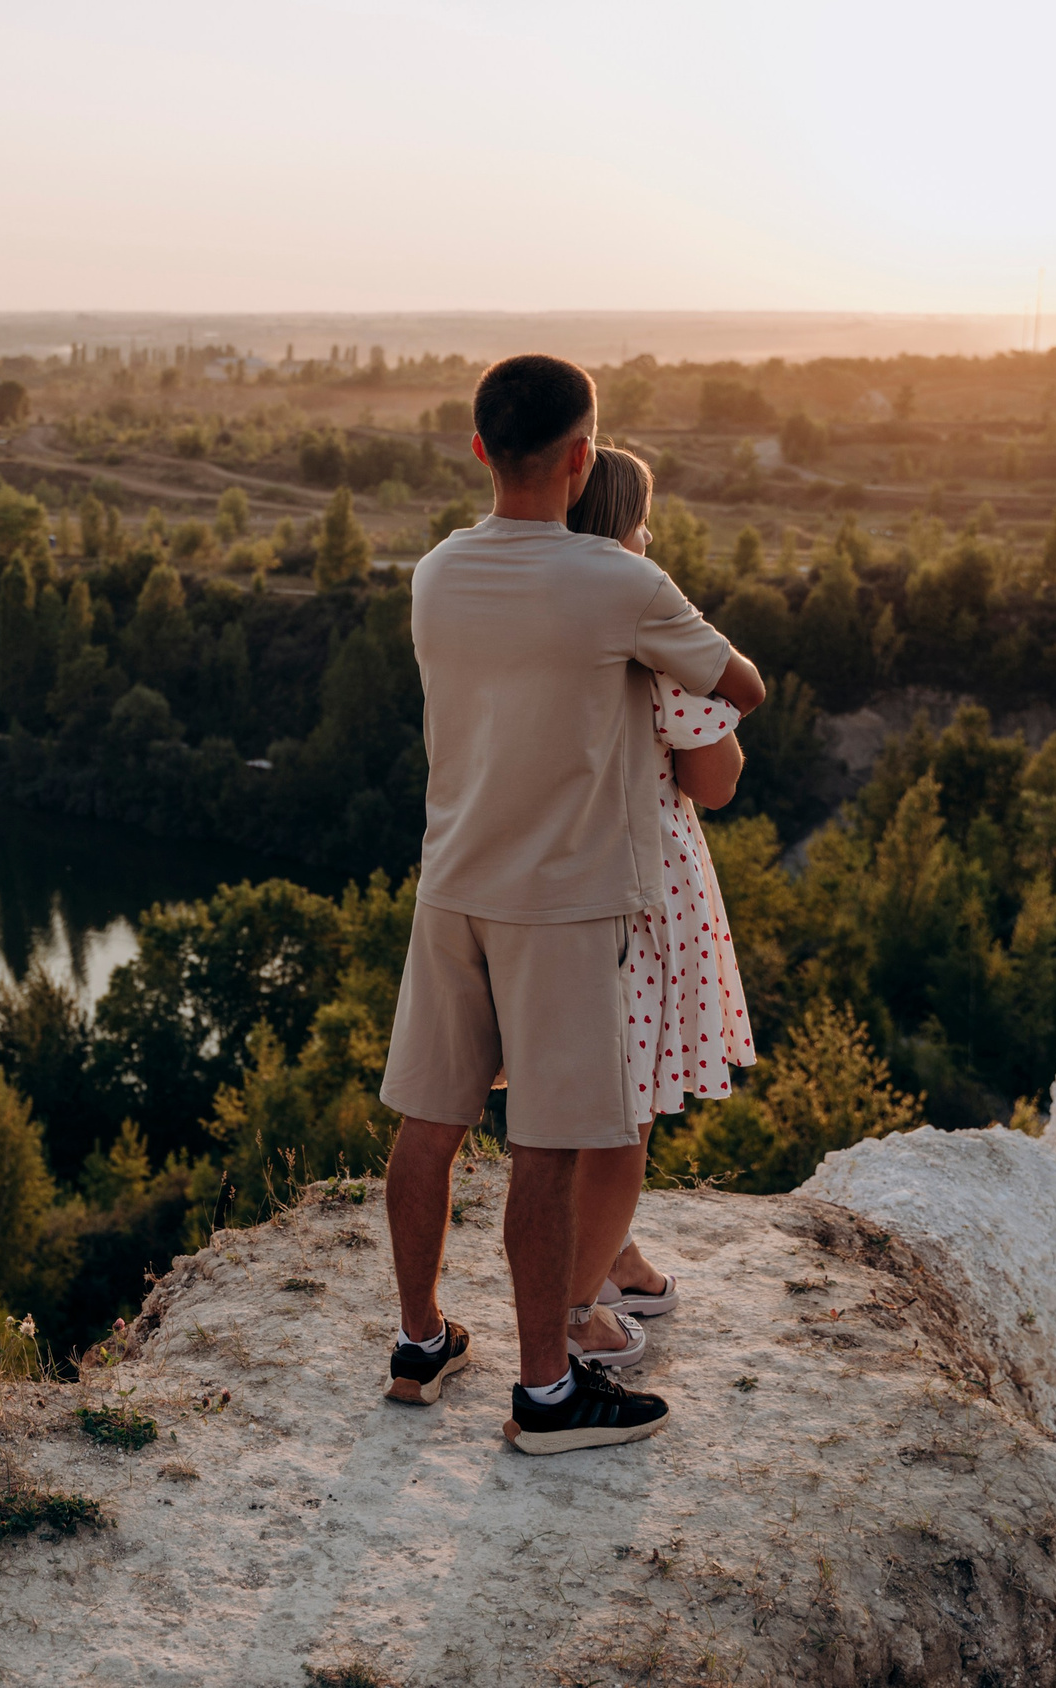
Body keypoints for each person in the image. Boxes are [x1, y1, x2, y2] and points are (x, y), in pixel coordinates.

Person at [378, 354, 764, 1456]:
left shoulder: (435, 572)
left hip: (453, 880)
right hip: (562, 900)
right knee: (547, 1147)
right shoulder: (617, 582)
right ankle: (548, 1394)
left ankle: (419, 1343)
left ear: (479, 448)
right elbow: (742, 688)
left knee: (429, 1122)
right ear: (583, 457)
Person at [557, 447, 759, 1357]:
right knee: (623, 1110)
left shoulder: (535, 617)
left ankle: (611, 1254)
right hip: (640, 886)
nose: (652, 535)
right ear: (620, 533)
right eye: (643, 521)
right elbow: (716, 781)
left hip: (549, 872)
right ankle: (575, 1314)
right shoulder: (654, 639)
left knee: (581, 1089)